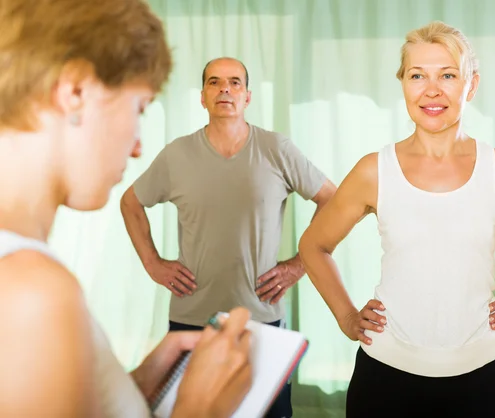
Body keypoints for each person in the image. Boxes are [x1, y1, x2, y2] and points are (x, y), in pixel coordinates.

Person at [298, 21, 495, 418]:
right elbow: (313, 245)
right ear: (403, 84)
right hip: (385, 376)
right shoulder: (373, 170)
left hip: (480, 378)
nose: (432, 90)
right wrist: (347, 317)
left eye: (448, 75)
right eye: (418, 75)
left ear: (471, 85)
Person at [0, 1, 253, 417]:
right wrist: (198, 409)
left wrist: (132, 387)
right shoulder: (35, 292)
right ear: (76, 91)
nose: (137, 146)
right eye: (139, 109)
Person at [120, 56, 336, 417]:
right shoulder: (177, 154)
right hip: (191, 319)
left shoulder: (277, 149)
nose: (225, 89)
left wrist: (298, 266)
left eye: (235, 82)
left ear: (247, 97)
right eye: (215, 82)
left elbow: (333, 201)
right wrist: (153, 263)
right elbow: (131, 203)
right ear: (202, 97)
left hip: (262, 319)